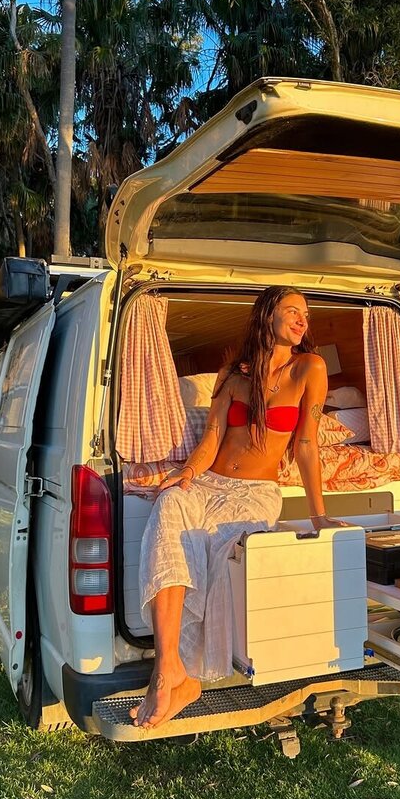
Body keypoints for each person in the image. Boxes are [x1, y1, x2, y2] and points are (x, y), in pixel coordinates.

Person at [130, 286, 347, 729]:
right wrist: (187, 473)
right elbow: (211, 436)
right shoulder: (233, 371)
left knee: (219, 551)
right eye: (292, 311)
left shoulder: (310, 367)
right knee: (169, 508)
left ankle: (180, 678)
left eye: (306, 314)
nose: (302, 320)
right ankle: (168, 668)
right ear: (267, 315)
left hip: (255, 493)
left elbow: (306, 445)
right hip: (209, 481)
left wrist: (318, 515)